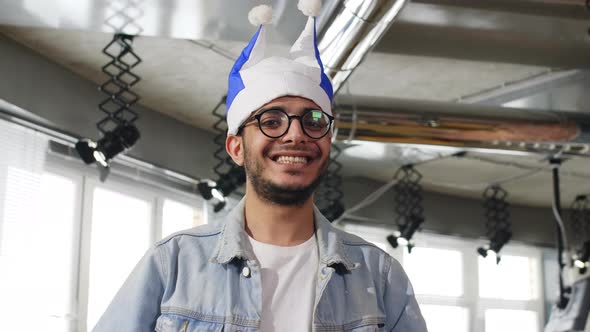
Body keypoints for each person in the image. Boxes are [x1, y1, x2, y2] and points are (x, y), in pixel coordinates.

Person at [93, 1, 427, 331]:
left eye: (313, 121)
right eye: (271, 120)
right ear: (236, 147)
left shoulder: (378, 275)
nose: (296, 135)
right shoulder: (174, 263)